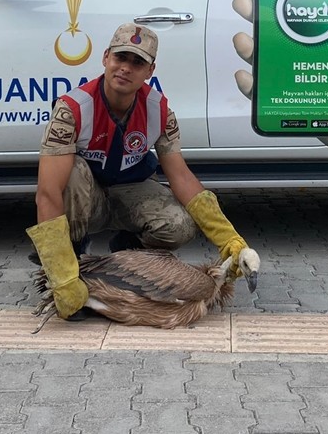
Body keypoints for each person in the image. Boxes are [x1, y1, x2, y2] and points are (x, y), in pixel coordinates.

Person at [27, 22, 256, 319]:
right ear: (106, 58)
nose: (126, 68)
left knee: (179, 223)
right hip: (85, 199)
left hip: (128, 193)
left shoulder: (158, 111)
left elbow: (181, 177)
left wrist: (229, 239)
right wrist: (61, 274)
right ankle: (70, 265)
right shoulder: (73, 109)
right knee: (70, 174)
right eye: (121, 58)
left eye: (138, 62)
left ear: (150, 71)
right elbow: (47, 192)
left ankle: (127, 257)